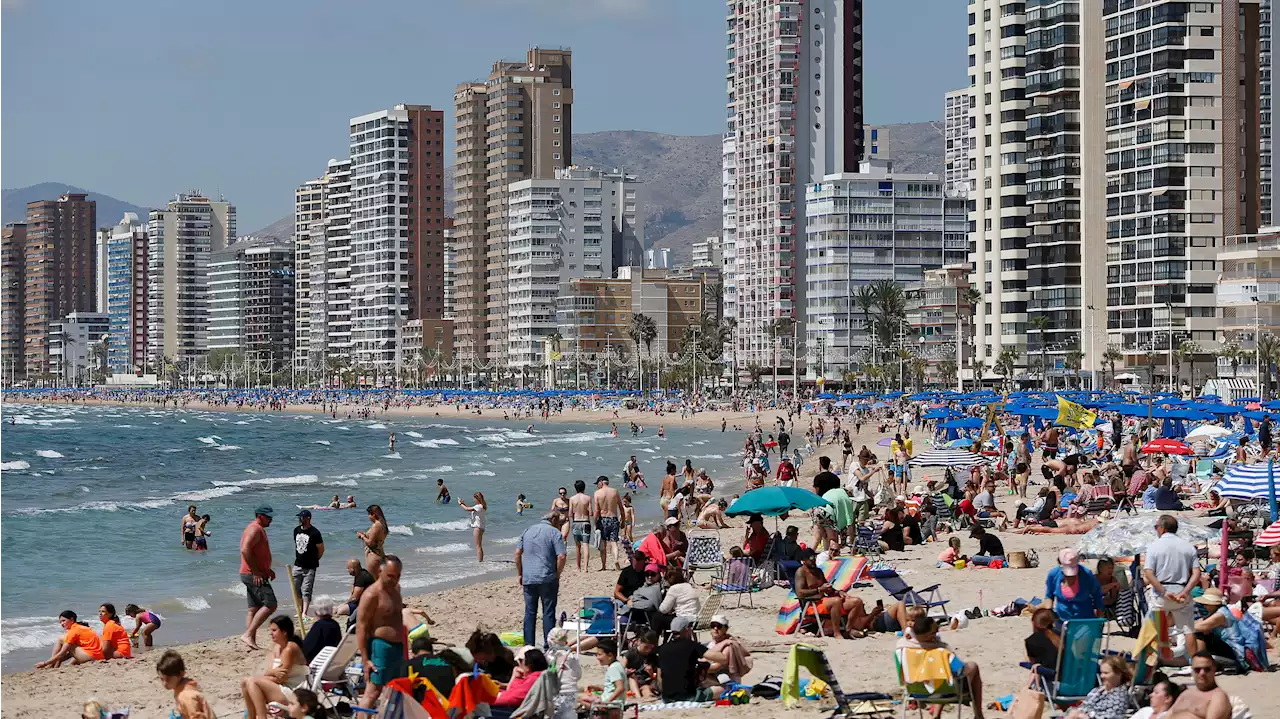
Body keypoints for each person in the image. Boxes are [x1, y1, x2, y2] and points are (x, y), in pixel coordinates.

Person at [897, 615, 985, 719]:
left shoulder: (902, 649)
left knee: (937, 677)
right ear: (931, 635)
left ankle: (936, 715)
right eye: (935, 631)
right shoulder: (942, 651)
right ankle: (978, 715)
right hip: (947, 692)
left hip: (915, 692)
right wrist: (969, 667)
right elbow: (959, 670)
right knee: (971, 667)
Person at [1143, 515, 1202, 662]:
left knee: (1152, 629)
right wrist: (1185, 591)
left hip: (1161, 594)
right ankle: (1195, 664)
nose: (1156, 530)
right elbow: (1196, 574)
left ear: (1162, 528)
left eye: (1156, 527)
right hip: (1182, 592)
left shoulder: (1154, 546)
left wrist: (1164, 591)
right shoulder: (1188, 546)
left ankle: (1151, 663)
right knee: (1188, 631)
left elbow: (1148, 573)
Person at [356, 554, 405, 707]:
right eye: (390, 576)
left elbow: (398, 619)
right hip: (380, 647)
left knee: (396, 689)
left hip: (398, 648)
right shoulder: (371, 595)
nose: (394, 579)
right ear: (379, 572)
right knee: (373, 692)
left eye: (397, 576)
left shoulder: (396, 588)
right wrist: (365, 660)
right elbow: (361, 627)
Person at [794, 548, 873, 637]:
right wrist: (819, 590)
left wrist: (838, 592)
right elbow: (799, 593)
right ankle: (837, 633)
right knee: (836, 601)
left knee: (856, 601)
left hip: (825, 601)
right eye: (811, 558)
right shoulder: (801, 572)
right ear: (804, 561)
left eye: (815, 557)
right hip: (812, 604)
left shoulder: (818, 571)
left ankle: (848, 629)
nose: (814, 560)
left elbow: (828, 588)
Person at [516, 511, 567, 646]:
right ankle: (548, 645)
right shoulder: (554, 533)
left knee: (530, 612)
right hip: (547, 577)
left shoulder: (527, 530)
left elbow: (517, 553)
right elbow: (561, 556)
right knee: (548, 612)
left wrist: (520, 573)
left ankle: (528, 645)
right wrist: (558, 573)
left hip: (529, 577)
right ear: (554, 519)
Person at [240, 615, 307, 719]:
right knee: (245, 682)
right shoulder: (276, 648)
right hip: (280, 687)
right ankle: (251, 717)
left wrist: (270, 673)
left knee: (252, 681)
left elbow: (281, 678)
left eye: (274, 630)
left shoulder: (290, 648)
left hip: (294, 692)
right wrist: (272, 672)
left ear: (284, 632)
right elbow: (269, 672)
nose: (271, 633)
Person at [655, 617, 727, 703]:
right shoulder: (692, 646)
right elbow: (723, 658)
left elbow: (659, 677)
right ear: (687, 629)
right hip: (688, 696)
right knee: (722, 690)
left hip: (667, 697)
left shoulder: (662, 649)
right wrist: (725, 642)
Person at [240, 506, 277, 650]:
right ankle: (248, 634)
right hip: (252, 574)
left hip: (251, 573)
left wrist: (267, 569)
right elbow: (245, 549)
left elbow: (257, 553)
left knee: (254, 608)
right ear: (260, 516)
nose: (271, 520)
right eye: (269, 517)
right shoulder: (255, 529)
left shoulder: (257, 528)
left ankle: (251, 642)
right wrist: (256, 572)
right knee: (271, 604)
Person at [1043, 548, 1105, 620]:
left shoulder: (1087, 575)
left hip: (1085, 620)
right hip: (1062, 621)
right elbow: (1049, 596)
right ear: (1060, 563)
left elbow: (1097, 595)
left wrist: (1099, 619)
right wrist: (1049, 613)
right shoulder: (1053, 575)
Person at [1066, 655, 1133, 719]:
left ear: (1119, 674)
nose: (1102, 676)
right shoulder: (1098, 690)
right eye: (1101, 673)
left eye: (1106, 673)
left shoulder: (1119, 697)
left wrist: (1082, 716)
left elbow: (1110, 716)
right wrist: (1076, 712)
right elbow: (1083, 706)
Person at [1168, 653, 1231, 719]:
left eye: (1207, 669)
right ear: (1192, 671)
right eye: (1197, 670)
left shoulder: (1218, 696)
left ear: (1214, 670)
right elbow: (1167, 715)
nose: (1202, 673)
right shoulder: (1186, 693)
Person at [157, 650, 216, 719]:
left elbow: (197, 716)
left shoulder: (186, 695)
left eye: (168, 679)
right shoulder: (184, 685)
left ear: (181, 674)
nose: (164, 683)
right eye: (162, 679)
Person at [36, 610, 104, 668]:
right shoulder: (81, 627)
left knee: (61, 639)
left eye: (63, 621)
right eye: (60, 622)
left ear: (71, 620)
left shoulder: (74, 630)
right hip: (98, 657)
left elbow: (62, 653)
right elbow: (70, 653)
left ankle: (51, 665)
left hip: (90, 657)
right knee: (67, 645)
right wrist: (58, 660)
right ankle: (54, 665)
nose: (62, 624)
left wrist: (45, 663)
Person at [292, 509, 325, 619]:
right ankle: (299, 610)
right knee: (295, 588)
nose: (300, 519)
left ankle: (304, 613)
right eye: (299, 517)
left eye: (302, 517)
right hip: (297, 564)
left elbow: (321, 549)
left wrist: (315, 559)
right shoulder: (296, 530)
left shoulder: (315, 533)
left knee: (307, 589)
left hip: (310, 566)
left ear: (308, 518)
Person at [578, 638, 626, 709]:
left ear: (610, 655)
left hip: (611, 704)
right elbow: (612, 688)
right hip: (614, 702)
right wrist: (599, 688)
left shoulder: (614, 668)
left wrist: (606, 702)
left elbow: (620, 688)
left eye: (599, 654)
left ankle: (597, 712)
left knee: (581, 700)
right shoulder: (618, 665)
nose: (597, 657)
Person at [707, 615, 753, 684]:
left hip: (727, 680)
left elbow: (716, 667)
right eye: (713, 626)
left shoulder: (728, 646)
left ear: (725, 629)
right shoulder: (712, 644)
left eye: (719, 626)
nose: (715, 628)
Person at [593, 475, 623, 571]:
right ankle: (616, 559)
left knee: (603, 544)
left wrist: (594, 523)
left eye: (597, 483)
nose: (597, 485)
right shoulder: (615, 491)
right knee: (614, 542)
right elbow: (621, 508)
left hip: (603, 520)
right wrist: (623, 520)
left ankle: (604, 566)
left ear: (601, 482)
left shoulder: (597, 493)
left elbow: (597, 510)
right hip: (613, 519)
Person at [335, 558, 376, 626]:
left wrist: (343, 604)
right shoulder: (361, 573)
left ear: (353, 568)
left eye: (348, 568)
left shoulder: (362, 577)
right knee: (338, 608)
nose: (347, 570)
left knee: (340, 610)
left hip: (365, 605)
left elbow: (355, 597)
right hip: (364, 602)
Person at [301, 598, 342, 663]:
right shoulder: (335, 624)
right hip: (331, 659)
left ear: (316, 612)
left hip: (318, 661)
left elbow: (307, 648)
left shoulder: (318, 626)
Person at [624, 630, 660, 700]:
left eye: (651, 648)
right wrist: (627, 671)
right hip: (631, 682)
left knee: (646, 689)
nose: (648, 650)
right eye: (645, 647)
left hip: (645, 682)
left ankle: (648, 697)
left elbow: (655, 675)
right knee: (632, 677)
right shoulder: (631, 653)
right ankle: (639, 698)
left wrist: (651, 673)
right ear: (639, 642)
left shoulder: (652, 656)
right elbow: (620, 669)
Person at [568, 479, 594, 570]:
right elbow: (591, 513)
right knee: (585, 545)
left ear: (575, 488)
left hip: (576, 522)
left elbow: (570, 514)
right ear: (584, 488)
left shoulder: (572, 499)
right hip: (586, 522)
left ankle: (578, 567)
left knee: (577, 546)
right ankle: (586, 567)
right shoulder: (588, 498)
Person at [459, 492, 487, 562]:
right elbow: (469, 508)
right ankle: (481, 560)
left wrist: (460, 503)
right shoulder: (482, 506)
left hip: (478, 527)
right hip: (481, 527)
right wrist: (463, 503)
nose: (474, 500)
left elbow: (466, 509)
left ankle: (480, 561)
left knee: (478, 546)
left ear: (478, 499)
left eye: (475, 498)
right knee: (479, 545)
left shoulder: (478, 506)